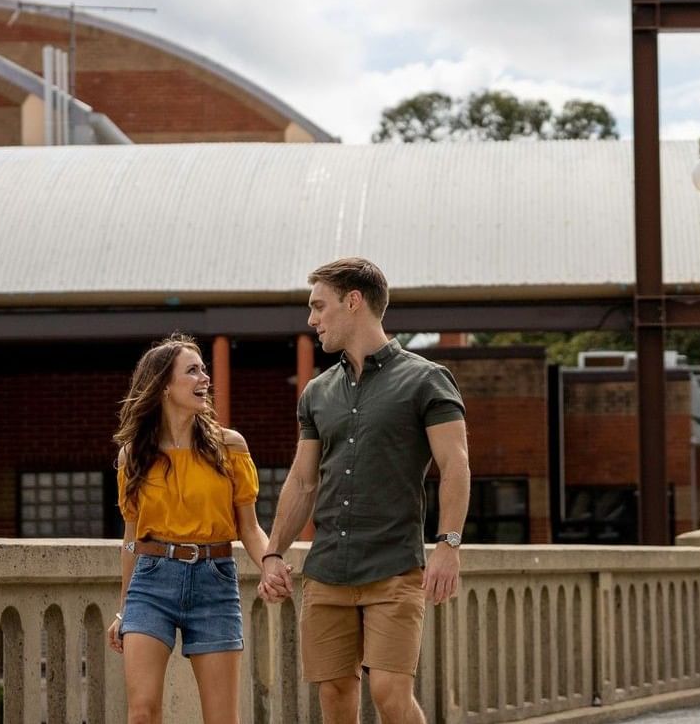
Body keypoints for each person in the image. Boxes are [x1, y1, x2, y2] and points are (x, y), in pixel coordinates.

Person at [257, 257, 472, 724]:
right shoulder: (317, 392)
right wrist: (273, 552)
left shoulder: (425, 379)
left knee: (390, 693)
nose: (312, 320)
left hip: (394, 568)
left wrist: (448, 545)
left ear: (353, 301)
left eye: (319, 306)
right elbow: (303, 479)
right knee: (334, 694)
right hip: (328, 569)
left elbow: (455, 466)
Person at [107, 334, 273, 724]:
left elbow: (249, 528)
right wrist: (124, 608)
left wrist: (271, 562)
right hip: (151, 583)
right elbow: (131, 540)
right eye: (193, 370)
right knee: (142, 712)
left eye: (205, 370)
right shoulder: (133, 455)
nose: (205, 379)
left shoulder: (230, 447)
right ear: (164, 385)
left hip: (214, 581)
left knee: (221, 718)